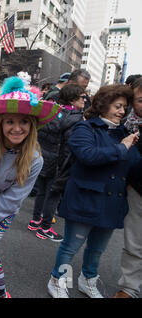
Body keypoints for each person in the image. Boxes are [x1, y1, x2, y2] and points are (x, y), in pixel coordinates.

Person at [46, 84, 141, 298]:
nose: (121, 111)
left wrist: (131, 147)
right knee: (71, 246)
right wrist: (122, 148)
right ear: (103, 105)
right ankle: (58, 280)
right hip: (85, 198)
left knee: (97, 249)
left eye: (124, 107)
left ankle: (87, 279)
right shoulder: (85, 128)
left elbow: (133, 165)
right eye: (117, 106)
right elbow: (88, 155)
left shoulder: (124, 132)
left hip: (112, 202)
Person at [0, 76, 61, 298]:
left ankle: (1, 293)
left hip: (1, 213)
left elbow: (12, 199)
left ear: (32, 125)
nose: (17, 128)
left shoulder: (34, 159)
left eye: (24, 122)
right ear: (1, 122)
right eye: (10, 121)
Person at [28, 84, 86, 242]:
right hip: (59, 161)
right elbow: (69, 145)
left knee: (41, 191)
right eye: (82, 97)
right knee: (53, 195)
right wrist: (66, 166)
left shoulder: (52, 110)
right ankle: (45, 228)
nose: (85, 99)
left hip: (42, 156)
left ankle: (35, 221)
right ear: (73, 98)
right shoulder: (75, 117)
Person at [114, 78, 142, 298]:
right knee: (134, 243)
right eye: (140, 100)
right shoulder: (124, 125)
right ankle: (129, 288)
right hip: (137, 189)